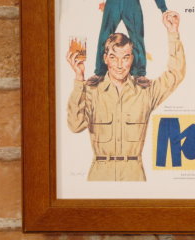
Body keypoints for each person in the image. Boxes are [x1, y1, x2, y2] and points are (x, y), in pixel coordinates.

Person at [66, 12, 185, 181]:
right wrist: (79, 78)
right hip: (100, 175)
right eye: (113, 57)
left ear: (132, 59)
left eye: (125, 58)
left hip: (133, 174)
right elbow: (75, 126)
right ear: (105, 58)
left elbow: (175, 74)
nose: (120, 65)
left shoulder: (145, 92)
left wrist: (173, 33)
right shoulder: (91, 91)